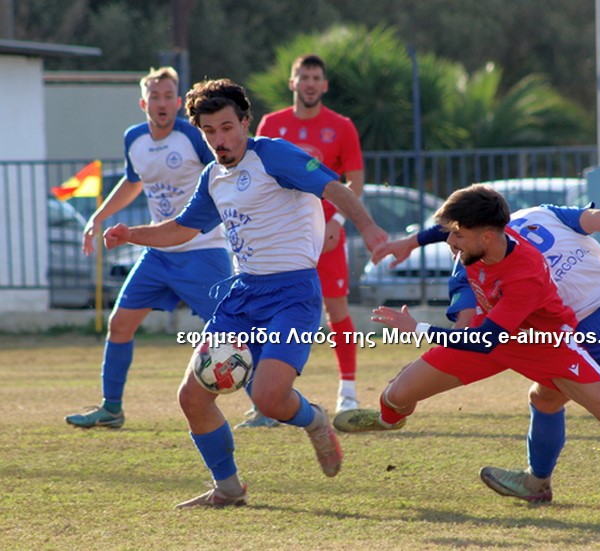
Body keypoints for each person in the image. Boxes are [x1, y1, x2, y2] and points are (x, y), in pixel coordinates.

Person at [334, 184, 600, 510]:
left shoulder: (525, 273)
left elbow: (484, 340)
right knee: (397, 393)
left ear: (488, 236)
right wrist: (412, 241)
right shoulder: (484, 237)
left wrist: (417, 328)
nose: (451, 242)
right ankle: (388, 420)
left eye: (457, 235)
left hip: (545, 346)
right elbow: (453, 239)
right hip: (494, 334)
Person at [103, 78, 386, 507]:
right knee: (192, 397)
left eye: (226, 127)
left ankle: (315, 421)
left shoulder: (272, 154)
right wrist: (131, 234)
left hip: (292, 294)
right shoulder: (212, 177)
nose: (219, 140)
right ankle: (228, 489)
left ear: (244, 123)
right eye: (209, 131)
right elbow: (182, 228)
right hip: (242, 296)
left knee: (270, 398)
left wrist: (368, 228)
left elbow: (333, 187)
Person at [65, 67, 231, 429]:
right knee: (119, 324)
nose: (162, 103)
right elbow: (132, 182)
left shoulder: (193, 136)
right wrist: (98, 217)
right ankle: (111, 409)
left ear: (178, 102)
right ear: (143, 103)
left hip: (203, 249)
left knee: (232, 329)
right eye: (155, 96)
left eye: (169, 96)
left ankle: (266, 406)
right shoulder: (134, 139)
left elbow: (223, 176)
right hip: (158, 254)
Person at [238, 54, 364, 428]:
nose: (310, 83)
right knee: (265, 313)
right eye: (303, 77)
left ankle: (348, 392)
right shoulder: (271, 124)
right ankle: (268, 402)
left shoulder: (341, 126)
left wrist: (337, 220)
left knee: (336, 310)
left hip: (326, 238)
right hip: (280, 239)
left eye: (316, 78)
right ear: (293, 83)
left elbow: (355, 181)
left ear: (324, 85)